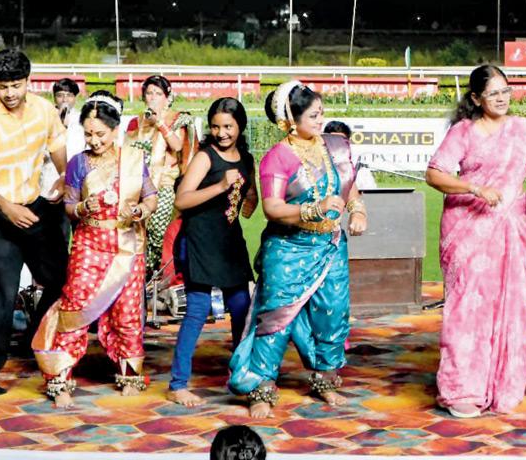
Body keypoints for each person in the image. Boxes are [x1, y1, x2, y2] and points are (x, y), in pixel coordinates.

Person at [229, 82, 366, 418]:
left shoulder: (333, 148)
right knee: (276, 319)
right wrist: (313, 210)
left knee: (332, 315)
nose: (321, 121)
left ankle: (326, 380)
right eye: (314, 115)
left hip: (330, 247)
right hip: (288, 248)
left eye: (322, 113)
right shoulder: (277, 158)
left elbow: (350, 190)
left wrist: (358, 210)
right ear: (291, 119)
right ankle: (259, 386)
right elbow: (272, 208)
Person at [425, 65, 526, 417]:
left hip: (511, 229)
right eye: (493, 93)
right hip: (468, 230)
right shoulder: (463, 132)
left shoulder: (523, 130)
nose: (501, 98)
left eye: (506, 91)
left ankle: (502, 384)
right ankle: (461, 388)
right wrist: (474, 188)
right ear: (476, 98)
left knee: (508, 304)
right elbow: (435, 174)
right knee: (468, 306)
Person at [32, 94, 158, 407]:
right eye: (88, 134)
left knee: (127, 310)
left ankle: (129, 373)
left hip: (127, 244)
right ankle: (59, 378)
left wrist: (141, 211)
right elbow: (69, 206)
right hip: (90, 243)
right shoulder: (78, 162)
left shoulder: (132, 159)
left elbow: (151, 197)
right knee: (74, 306)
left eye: (100, 134)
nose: (94, 140)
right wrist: (82, 208)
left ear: (116, 131)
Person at [0, 49, 70, 396]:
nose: (10, 93)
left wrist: (66, 176)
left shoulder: (43, 109)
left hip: (34, 207)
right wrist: (7, 208)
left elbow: (57, 143)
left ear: (28, 81)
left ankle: (33, 338)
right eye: (3, 86)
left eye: (16, 85)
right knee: (2, 296)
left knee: (61, 279)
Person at [169, 97, 257, 407]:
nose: (221, 133)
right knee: (197, 309)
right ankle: (178, 383)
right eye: (216, 126)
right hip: (199, 241)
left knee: (242, 309)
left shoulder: (246, 158)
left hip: (230, 242)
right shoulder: (205, 157)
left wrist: (250, 196)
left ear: (240, 126)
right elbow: (181, 200)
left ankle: (242, 374)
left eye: (228, 127)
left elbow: (249, 205)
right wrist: (220, 186)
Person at [125, 76, 197, 283]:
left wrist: (160, 124)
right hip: (137, 185)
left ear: (167, 98)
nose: (153, 98)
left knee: (158, 232)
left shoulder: (177, 119)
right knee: (135, 233)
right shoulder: (136, 121)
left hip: (165, 184)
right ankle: (140, 278)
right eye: (149, 93)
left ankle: (161, 277)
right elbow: (128, 151)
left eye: (158, 94)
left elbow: (176, 146)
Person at [325, 121, 376, 190]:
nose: (337, 143)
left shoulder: (357, 166)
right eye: (333, 140)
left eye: (341, 140)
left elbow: (369, 192)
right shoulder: (315, 162)